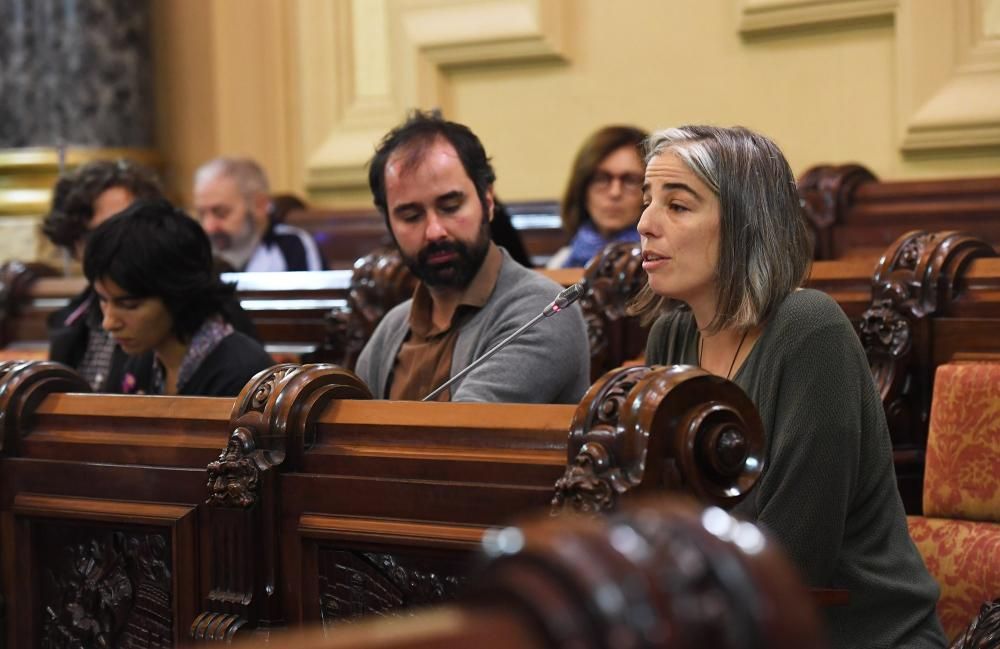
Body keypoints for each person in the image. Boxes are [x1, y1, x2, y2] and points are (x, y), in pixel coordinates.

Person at [632, 125, 945, 649]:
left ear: (746, 224)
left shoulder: (809, 331)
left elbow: (795, 560)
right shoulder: (670, 336)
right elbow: (656, 521)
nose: (644, 224)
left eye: (677, 206)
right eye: (648, 201)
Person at [355, 111, 590, 403]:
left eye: (450, 206)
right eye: (411, 216)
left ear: (487, 201)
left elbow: (463, 428)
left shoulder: (543, 311)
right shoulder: (391, 328)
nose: (434, 231)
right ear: (389, 224)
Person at [84, 199, 274, 396]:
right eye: (103, 300)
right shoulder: (142, 359)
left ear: (177, 294)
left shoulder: (241, 375)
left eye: (129, 305)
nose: (109, 322)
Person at [42, 159, 164, 391]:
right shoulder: (70, 321)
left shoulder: (168, 317)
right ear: (75, 244)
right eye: (96, 236)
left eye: (122, 230)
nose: (111, 246)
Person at [193, 157, 327, 272]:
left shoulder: (292, 247)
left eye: (221, 213)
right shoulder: (195, 253)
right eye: (201, 214)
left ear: (260, 205)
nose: (208, 227)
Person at [548, 125, 647, 268]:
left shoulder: (659, 262)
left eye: (630, 180)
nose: (615, 192)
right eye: (601, 179)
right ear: (582, 188)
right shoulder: (560, 263)